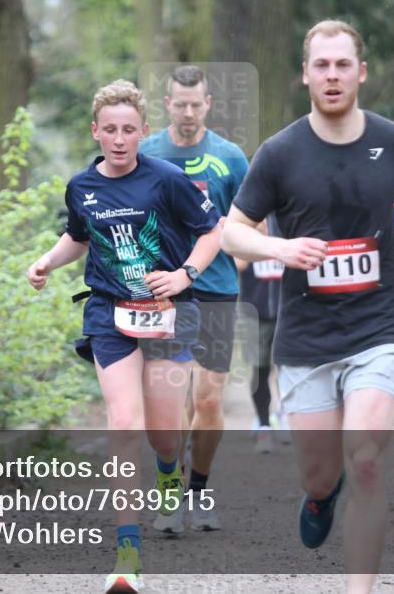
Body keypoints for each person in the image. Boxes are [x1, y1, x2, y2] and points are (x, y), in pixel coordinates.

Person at [221, 19, 394, 593]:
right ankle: (322, 496)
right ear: (305, 74)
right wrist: (280, 246)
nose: (331, 75)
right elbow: (233, 233)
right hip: (307, 338)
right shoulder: (279, 153)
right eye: (321, 65)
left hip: (380, 327)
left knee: (368, 458)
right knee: (320, 474)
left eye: (342, 64)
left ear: (361, 72)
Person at [27, 80, 222, 592]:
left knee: (163, 433)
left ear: (143, 132)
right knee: (124, 424)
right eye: (109, 130)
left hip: (166, 311)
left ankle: (167, 473)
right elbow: (77, 235)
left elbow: (212, 230)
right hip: (109, 314)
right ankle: (128, 554)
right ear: (95, 131)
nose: (118, 139)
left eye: (128, 130)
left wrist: (185, 275)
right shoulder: (81, 186)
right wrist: (48, 261)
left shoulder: (168, 179)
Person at [140, 65, 249, 532]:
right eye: (179, 104)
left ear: (208, 104)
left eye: (195, 104)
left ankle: (198, 492)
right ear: (167, 104)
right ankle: (169, 490)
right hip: (165, 291)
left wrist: (239, 259)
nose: (187, 112)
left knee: (206, 399)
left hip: (218, 290)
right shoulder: (146, 154)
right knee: (169, 400)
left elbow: (252, 219)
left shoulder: (230, 157)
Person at [236, 215, 285, 454]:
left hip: (289, 311)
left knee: (290, 369)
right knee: (259, 370)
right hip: (254, 310)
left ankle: (285, 416)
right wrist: (253, 235)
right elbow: (238, 264)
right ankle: (263, 423)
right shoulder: (247, 222)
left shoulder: (291, 217)